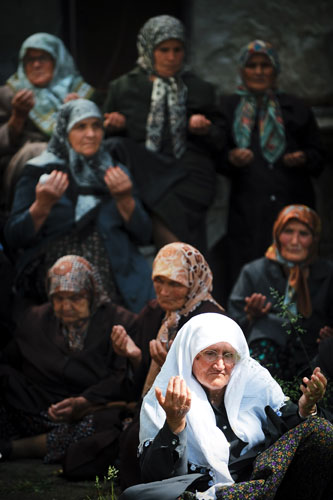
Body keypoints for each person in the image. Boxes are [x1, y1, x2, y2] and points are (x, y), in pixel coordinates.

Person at [119, 312, 333, 500]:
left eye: (228, 355)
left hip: (263, 484)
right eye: (210, 353)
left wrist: (306, 409)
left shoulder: (255, 383)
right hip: (199, 491)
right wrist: (174, 424)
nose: (220, 365)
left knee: (320, 431)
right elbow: (156, 478)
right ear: (190, 355)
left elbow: (294, 436)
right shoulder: (165, 397)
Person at [4, 98, 155, 313]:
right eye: (80, 126)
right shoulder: (40, 171)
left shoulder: (115, 171)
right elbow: (14, 237)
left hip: (116, 269)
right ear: (64, 131)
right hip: (52, 270)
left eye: (96, 126)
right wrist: (41, 207)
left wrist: (125, 199)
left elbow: (144, 235)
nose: (91, 134)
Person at [0, 255, 137, 478]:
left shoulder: (120, 322)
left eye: (75, 298)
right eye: (58, 298)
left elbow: (122, 377)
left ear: (92, 294)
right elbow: (10, 360)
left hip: (88, 412)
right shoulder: (35, 319)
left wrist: (84, 402)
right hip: (38, 409)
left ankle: (17, 448)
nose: (65, 306)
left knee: (116, 424)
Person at [102, 15, 225, 252]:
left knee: (168, 203)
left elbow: (222, 141)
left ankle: (186, 273)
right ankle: (187, 273)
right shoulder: (124, 87)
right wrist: (113, 125)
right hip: (147, 169)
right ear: (149, 48)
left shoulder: (200, 88)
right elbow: (100, 139)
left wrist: (206, 129)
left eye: (177, 50)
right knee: (119, 150)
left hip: (189, 170)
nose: (171, 57)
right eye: (163, 50)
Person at [111, 242, 224, 489]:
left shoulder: (209, 319)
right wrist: (135, 357)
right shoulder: (155, 312)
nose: (163, 291)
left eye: (175, 283)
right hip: (152, 404)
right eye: (159, 281)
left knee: (136, 437)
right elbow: (135, 384)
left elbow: (219, 378)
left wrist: (174, 369)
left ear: (195, 281)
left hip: (194, 411)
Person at [218, 39, 325, 299]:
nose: (258, 71)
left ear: (274, 70)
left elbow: (319, 155)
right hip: (249, 207)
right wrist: (232, 158)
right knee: (250, 269)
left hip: (291, 201)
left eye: (265, 66)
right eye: (251, 65)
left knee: (294, 265)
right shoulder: (230, 109)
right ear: (242, 70)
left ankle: (298, 326)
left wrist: (304, 157)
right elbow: (216, 155)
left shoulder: (296, 108)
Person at [227, 204, 333, 380]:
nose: (294, 241)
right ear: (276, 234)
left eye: (304, 234)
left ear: (314, 239)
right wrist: (250, 316)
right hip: (268, 358)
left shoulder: (328, 274)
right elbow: (230, 324)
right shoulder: (254, 272)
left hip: (313, 356)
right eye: (288, 232)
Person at [0, 32, 94, 210]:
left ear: (58, 60)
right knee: (40, 153)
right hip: (27, 160)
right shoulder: (8, 94)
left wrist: (80, 114)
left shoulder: (82, 92)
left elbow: (99, 132)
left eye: (43, 58)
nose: (36, 64)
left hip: (79, 153)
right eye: (29, 60)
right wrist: (18, 117)